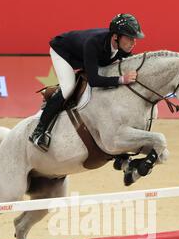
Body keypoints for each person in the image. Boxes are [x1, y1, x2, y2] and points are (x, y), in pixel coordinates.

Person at [29, 13, 145, 150]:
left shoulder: (122, 48)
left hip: (85, 55)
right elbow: (94, 80)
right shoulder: (94, 43)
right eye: (129, 38)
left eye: (134, 38)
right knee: (68, 88)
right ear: (115, 37)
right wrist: (122, 79)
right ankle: (38, 131)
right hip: (62, 52)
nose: (134, 42)